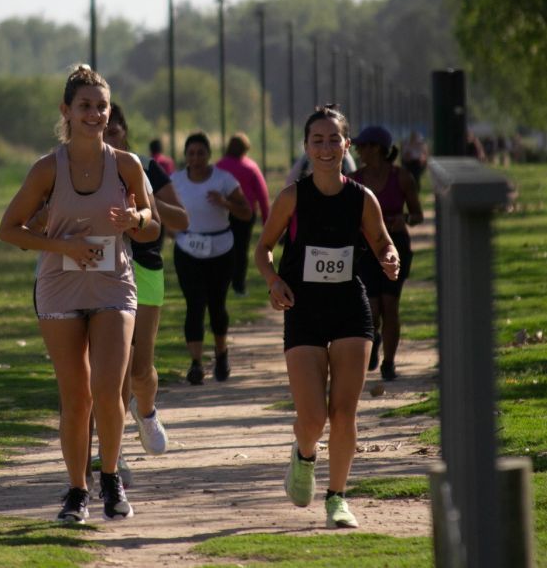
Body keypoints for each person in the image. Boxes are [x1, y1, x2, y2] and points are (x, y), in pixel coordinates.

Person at [0, 65, 154, 524]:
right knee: (76, 398)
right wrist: (62, 245)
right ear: (66, 111)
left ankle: (111, 478)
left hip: (113, 284)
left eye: (101, 106)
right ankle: (75, 490)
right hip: (60, 288)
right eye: (85, 106)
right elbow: (9, 229)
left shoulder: (127, 165)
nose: (95, 114)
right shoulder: (47, 169)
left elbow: (153, 224)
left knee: (108, 390)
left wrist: (136, 222)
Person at [253, 105, 399, 530]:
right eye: (317, 140)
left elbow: (383, 243)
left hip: (350, 309)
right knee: (313, 418)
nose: (326, 147)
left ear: (346, 145)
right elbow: (263, 249)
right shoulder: (293, 196)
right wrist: (273, 280)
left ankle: (338, 497)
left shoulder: (361, 197)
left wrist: (390, 259)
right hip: (304, 310)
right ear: (306, 147)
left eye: (334, 139)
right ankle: (304, 454)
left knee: (343, 414)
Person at [103, 104, 189, 465]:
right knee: (114, 365)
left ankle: (147, 411)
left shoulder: (145, 168)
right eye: (100, 130)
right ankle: (112, 450)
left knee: (139, 367)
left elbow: (181, 220)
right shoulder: (83, 171)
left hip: (146, 267)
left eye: (112, 131)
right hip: (104, 268)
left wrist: (148, 206)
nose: (106, 137)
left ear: (124, 131)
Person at [171, 131, 252, 384]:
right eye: (191, 153)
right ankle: (195, 364)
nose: (195, 158)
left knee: (217, 306)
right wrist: (170, 229)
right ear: (185, 156)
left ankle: (221, 353)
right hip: (187, 247)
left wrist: (225, 202)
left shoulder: (223, 179)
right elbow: (160, 209)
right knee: (194, 305)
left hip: (220, 249)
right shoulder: (175, 180)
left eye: (201, 153)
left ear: (209, 155)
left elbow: (246, 213)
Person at [351, 126, 424, 381]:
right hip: (365, 248)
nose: (358, 150)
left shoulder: (402, 178)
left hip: (397, 245)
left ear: (377, 148)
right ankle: (374, 337)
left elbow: (417, 214)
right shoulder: (353, 180)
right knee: (371, 306)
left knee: (390, 304)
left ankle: (389, 363)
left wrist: (401, 218)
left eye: (362, 146)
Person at [215, 132, 269, 297]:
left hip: (224, 212)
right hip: (246, 214)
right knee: (241, 250)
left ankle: (221, 283)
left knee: (223, 249)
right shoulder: (251, 167)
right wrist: (267, 219)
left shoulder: (219, 166)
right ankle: (239, 286)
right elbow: (262, 194)